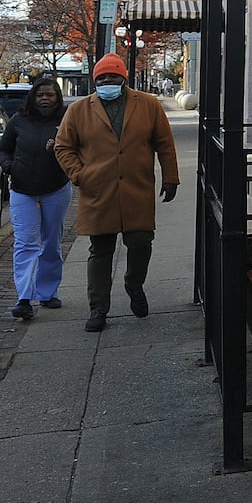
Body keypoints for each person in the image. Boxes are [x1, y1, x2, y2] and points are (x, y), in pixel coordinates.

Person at [54, 52, 179, 333]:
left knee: (141, 243)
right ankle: (98, 308)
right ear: (95, 80)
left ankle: (134, 284)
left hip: (137, 189)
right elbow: (63, 147)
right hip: (98, 190)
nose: (106, 80)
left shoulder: (147, 104)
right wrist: (79, 174)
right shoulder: (79, 110)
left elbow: (165, 143)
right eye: (101, 77)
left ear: (123, 77)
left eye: (112, 76)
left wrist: (170, 177)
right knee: (100, 251)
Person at [0, 76, 73, 321]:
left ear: (57, 97)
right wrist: (10, 167)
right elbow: (2, 149)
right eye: (40, 95)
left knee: (51, 242)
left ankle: (48, 292)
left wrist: (60, 147)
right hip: (22, 190)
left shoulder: (67, 120)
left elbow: (81, 148)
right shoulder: (19, 120)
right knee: (26, 243)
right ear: (33, 97)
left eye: (50, 95)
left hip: (56, 189)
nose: (45, 99)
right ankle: (24, 298)